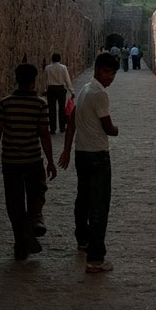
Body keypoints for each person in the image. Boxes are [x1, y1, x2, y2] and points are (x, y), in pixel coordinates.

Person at [0, 63, 57, 260]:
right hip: (33, 159)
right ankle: (33, 222)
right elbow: (44, 135)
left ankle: (20, 242)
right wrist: (50, 161)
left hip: (10, 161)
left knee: (14, 202)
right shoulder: (40, 104)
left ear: (17, 80)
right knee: (37, 192)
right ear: (33, 81)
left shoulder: (5, 103)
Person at [58, 53, 119, 274]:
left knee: (82, 200)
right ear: (98, 70)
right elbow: (108, 128)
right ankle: (95, 259)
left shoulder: (84, 90)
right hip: (97, 155)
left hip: (81, 154)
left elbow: (71, 120)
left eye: (113, 74)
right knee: (99, 206)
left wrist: (66, 150)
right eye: (108, 73)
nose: (111, 78)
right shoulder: (99, 94)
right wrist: (116, 130)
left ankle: (82, 240)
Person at [44, 53, 75, 134]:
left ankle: (52, 128)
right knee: (62, 109)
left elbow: (45, 80)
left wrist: (44, 89)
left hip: (51, 90)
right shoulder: (63, 68)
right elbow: (67, 80)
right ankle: (62, 127)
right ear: (59, 59)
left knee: (51, 109)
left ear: (52, 59)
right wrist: (72, 91)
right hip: (61, 89)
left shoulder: (47, 68)